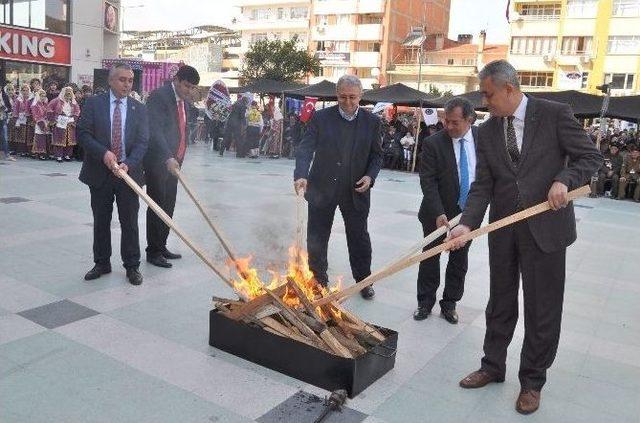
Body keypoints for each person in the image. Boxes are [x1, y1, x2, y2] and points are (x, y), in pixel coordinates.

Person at [447, 60, 602, 414]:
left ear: (509, 89)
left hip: (546, 229)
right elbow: (483, 184)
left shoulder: (554, 114)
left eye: (488, 94)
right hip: (503, 229)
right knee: (500, 301)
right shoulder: (486, 132)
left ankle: (532, 381)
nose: (484, 103)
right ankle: (492, 366)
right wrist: (467, 224)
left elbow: (589, 156)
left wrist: (565, 179)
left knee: (542, 308)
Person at [294, 74, 383, 299]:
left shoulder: (372, 122)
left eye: (353, 97)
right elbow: (306, 148)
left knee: (359, 237)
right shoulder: (321, 118)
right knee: (317, 235)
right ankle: (318, 280)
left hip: (355, 190)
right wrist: (301, 175)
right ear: (337, 95)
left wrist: (370, 177)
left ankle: (364, 281)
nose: (348, 102)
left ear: (361, 96)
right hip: (322, 188)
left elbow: (377, 156)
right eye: (343, 97)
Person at [77, 63, 149, 286]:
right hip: (100, 173)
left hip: (128, 174)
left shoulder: (139, 108)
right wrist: (104, 153)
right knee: (101, 220)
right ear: (110, 81)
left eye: (130, 80)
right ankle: (101, 262)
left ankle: (132, 266)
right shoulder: (93, 104)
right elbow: (83, 133)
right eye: (122, 79)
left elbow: (142, 141)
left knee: (129, 222)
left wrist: (129, 163)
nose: (127, 84)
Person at [414, 97, 478, 324]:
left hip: (468, 214)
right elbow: (428, 182)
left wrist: (472, 214)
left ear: (469, 120)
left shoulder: (483, 140)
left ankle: (449, 304)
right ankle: (424, 302)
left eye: (454, 122)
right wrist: (439, 212)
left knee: (459, 260)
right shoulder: (434, 143)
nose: (448, 127)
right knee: (430, 257)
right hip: (435, 213)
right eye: (446, 121)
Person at [144, 65, 200, 268]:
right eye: (186, 85)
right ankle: (153, 251)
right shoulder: (159, 96)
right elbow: (155, 130)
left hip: (175, 163)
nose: (189, 90)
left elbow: (181, 131)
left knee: (169, 205)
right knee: (157, 205)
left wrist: (178, 157)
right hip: (159, 162)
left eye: (192, 87)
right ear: (176, 79)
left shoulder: (183, 102)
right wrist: (167, 156)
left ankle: (162, 245)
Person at [49, 86, 81, 162]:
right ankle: (59, 156)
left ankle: (67, 155)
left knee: (69, 140)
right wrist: (55, 119)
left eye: (70, 94)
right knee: (59, 139)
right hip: (60, 122)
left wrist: (73, 119)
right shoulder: (56, 101)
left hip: (70, 122)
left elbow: (77, 112)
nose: (68, 96)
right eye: (67, 94)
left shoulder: (74, 102)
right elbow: (49, 109)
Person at [14, 83, 34, 157]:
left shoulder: (32, 98)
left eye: (27, 90)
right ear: (21, 91)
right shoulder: (18, 99)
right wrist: (17, 120)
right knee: (22, 135)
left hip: (29, 118)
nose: (25, 92)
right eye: (23, 90)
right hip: (21, 118)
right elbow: (15, 110)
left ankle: (29, 151)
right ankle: (22, 151)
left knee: (29, 135)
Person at [30, 89, 49, 160]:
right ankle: (39, 153)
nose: (43, 97)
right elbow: (35, 116)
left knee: (45, 138)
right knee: (39, 137)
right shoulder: (35, 105)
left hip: (46, 122)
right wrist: (41, 124)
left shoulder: (46, 104)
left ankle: (44, 153)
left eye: (44, 96)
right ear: (38, 96)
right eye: (41, 96)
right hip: (39, 123)